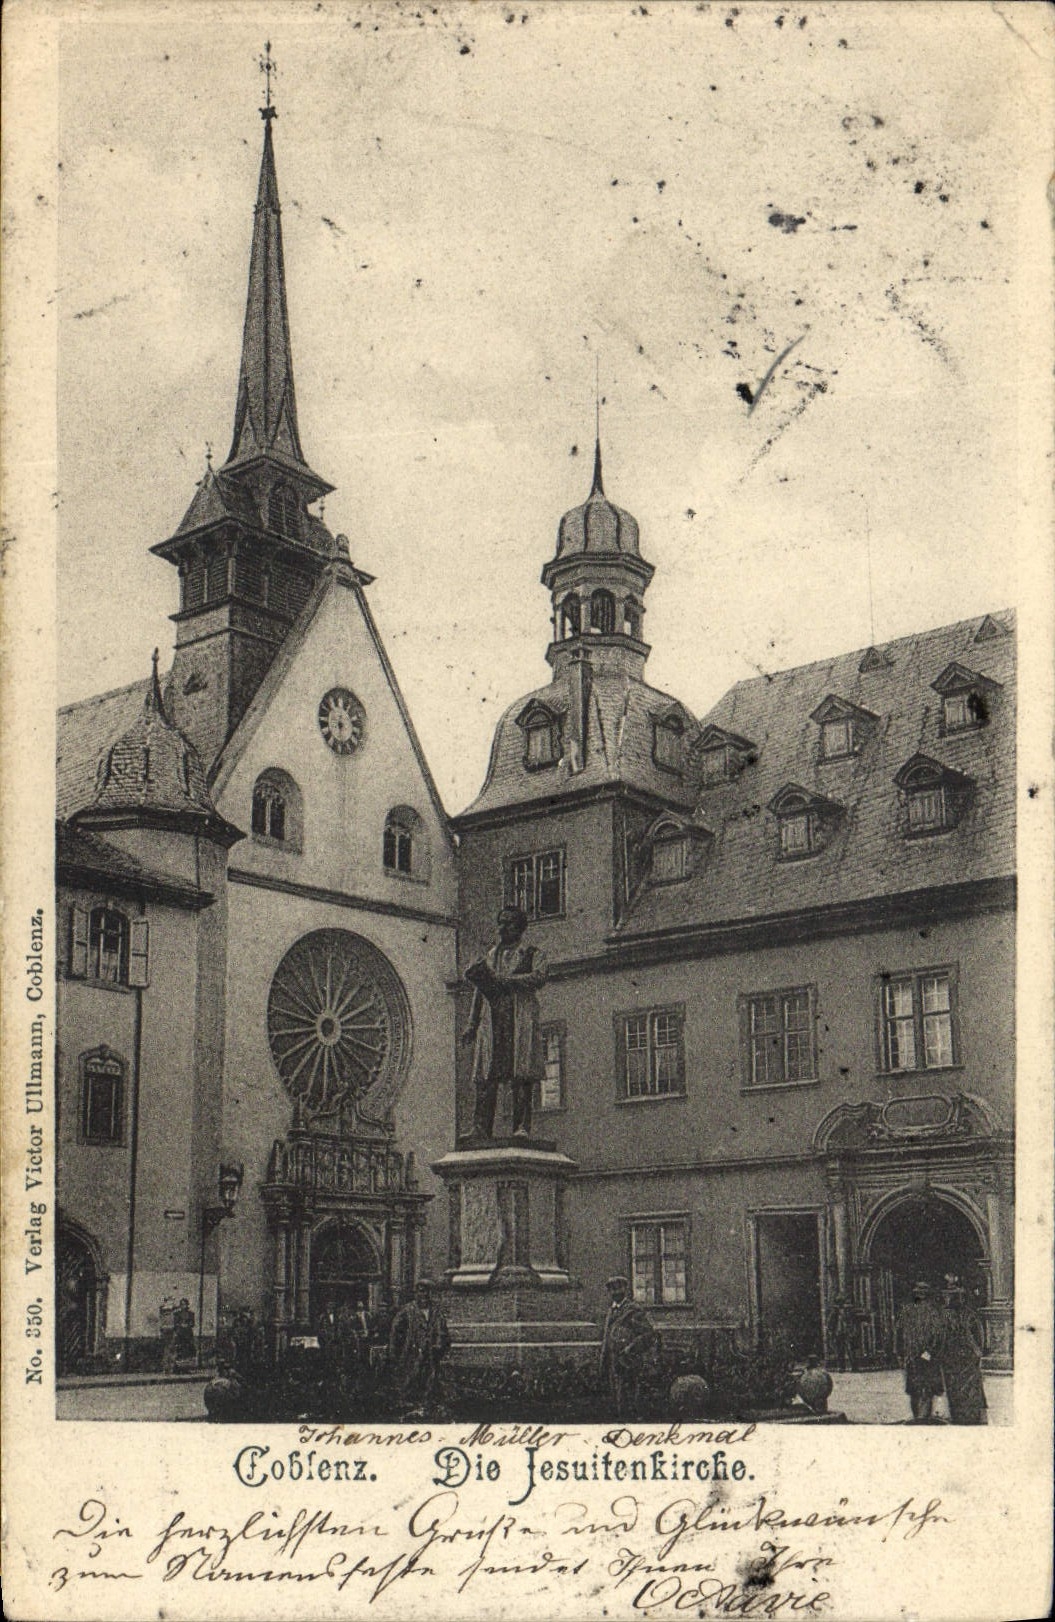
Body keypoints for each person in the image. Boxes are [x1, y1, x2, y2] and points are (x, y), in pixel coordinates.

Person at [462, 906, 547, 1139]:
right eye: (500, 923)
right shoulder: (491, 955)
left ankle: (521, 1127)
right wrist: (471, 1024)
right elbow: (479, 990)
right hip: (493, 1022)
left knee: (521, 1076)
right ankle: (480, 1128)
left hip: (518, 1019)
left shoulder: (532, 953)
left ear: (519, 927)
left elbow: (539, 976)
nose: (502, 928)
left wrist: (507, 981)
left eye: (508, 923)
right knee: (486, 1076)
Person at [598, 1275, 659, 1417]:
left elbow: (648, 1334)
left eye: (618, 1289)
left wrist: (631, 1348)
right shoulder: (611, 1312)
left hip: (629, 1362)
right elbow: (607, 1338)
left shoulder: (633, 1310)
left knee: (630, 1396)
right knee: (616, 1395)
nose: (615, 1293)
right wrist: (604, 1359)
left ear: (625, 1290)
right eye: (612, 1290)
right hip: (613, 1361)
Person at [387, 1280, 451, 1411]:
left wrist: (440, 1344)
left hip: (431, 1351)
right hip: (412, 1351)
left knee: (431, 1376)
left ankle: (427, 1403)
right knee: (411, 1375)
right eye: (421, 1291)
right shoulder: (407, 1310)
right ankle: (408, 1403)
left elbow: (442, 1330)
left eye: (427, 1291)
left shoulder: (436, 1310)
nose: (424, 1295)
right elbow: (395, 1331)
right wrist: (396, 1350)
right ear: (416, 1293)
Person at [895, 1281, 946, 1422]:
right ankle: (920, 1419)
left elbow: (938, 1336)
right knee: (919, 1389)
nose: (920, 1296)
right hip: (918, 1356)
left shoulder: (931, 1312)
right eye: (919, 1293)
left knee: (922, 1389)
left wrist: (902, 1353)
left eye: (922, 1293)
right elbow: (899, 1333)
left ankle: (921, 1419)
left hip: (920, 1357)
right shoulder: (910, 1312)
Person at [941, 1284, 988, 1425]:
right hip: (966, 1355)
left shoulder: (944, 1315)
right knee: (969, 1385)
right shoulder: (970, 1314)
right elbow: (979, 1336)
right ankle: (971, 1415)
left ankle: (959, 1415)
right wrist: (978, 1351)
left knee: (954, 1385)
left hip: (952, 1356)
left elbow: (940, 1337)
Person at [826, 1293, 856, 1372]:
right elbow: (830, 1322)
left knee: (847, 1350)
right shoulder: (835, 1312)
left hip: (844, 1332)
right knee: (842, 1350)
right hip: (840, 1332)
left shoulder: (847, 1311)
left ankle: (849, 1367)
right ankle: (844, 1367)